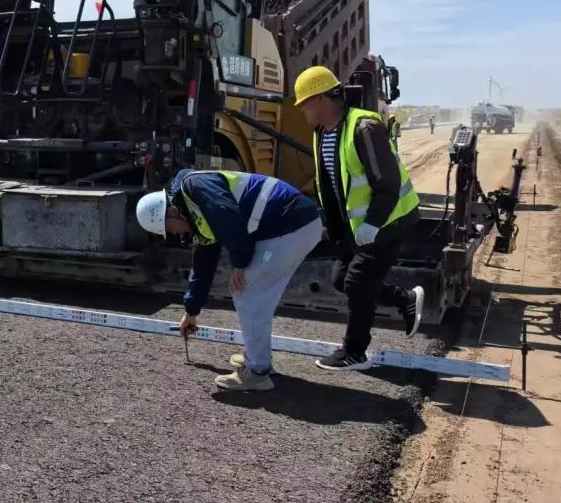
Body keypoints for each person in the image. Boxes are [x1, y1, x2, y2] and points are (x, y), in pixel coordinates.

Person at [136, 168, 324, 391]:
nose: (175, 234)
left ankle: (257, 372)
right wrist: (191, 311)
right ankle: (257, 361)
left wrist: (240, 262)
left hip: (290, 224)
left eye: (170, 229)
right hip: (292, 223)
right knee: (255, 295)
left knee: (247, 289)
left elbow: (228, 216)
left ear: (172, 212)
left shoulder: (195, 186)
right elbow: (203, 264)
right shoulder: (197, 210)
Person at [293, 66, 425, 371]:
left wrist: (373, 223)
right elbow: (334, 182)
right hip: (359, 227)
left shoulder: (364, 127)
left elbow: (388, 183)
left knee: (357, 281)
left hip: (389, 220)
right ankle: (403, 299)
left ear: (324, 98)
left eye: (305, 103)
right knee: (342, 279)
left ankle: (354, 352)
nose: (301, 111)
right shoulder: (322, 132)